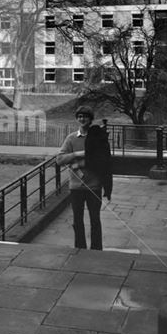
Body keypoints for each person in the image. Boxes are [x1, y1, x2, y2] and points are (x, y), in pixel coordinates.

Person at [57, 105, 108, 250]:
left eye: (85, 116)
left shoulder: (98, 138)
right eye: (79, 116)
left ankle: (96, 250)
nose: (82, 119)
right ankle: (80, 248)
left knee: (95, 220)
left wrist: (83, 161)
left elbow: (103, 160)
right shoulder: (71, 138)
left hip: (94, 186)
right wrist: (78, 154)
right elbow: (59, 160)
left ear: (91, 119)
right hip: (76, 187)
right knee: (77, 220)